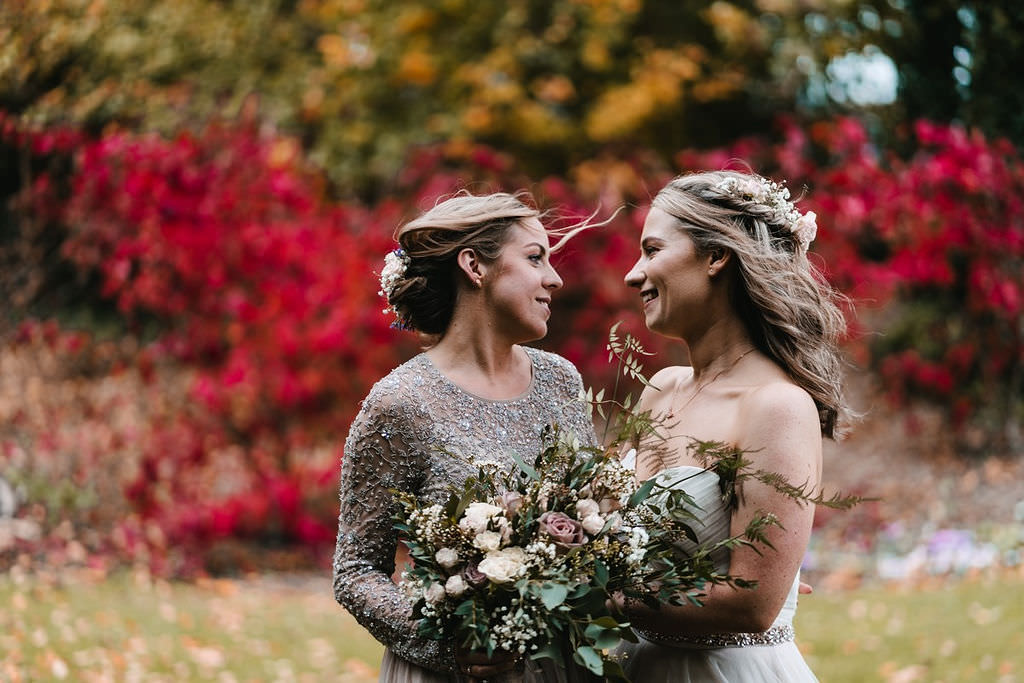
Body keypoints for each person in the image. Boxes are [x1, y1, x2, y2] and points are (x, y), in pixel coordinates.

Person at [332, 192, 598, 682]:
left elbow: (594, 518)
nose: (554, 278)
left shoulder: (561, 380)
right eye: (535, 258)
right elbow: (357, 571)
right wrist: (447, 643)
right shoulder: (400, 403)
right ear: (475, 266)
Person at [615, 170, 849, 681]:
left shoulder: (777, 407)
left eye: (652, 250)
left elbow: (752, 605)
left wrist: (595, 594)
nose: (634, 275)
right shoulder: (661, 389)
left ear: (716, 256)